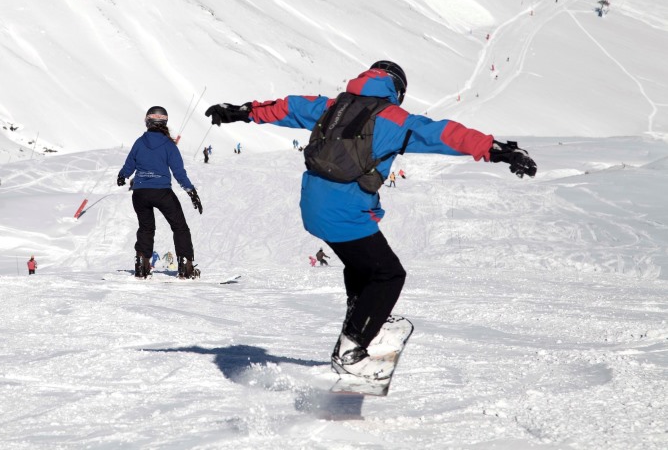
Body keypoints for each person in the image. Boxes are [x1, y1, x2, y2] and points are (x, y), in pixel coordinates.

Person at [205, 60, 536, 379]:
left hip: (313, 203)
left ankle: (364, 319)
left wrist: (239, 112)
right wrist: (499, 151)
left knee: (361, 265)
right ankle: (351, 349)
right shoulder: (393, 119)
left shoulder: (333, 107)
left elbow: (287, 107)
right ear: (398, 90)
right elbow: (446, 134)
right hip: (345, 209)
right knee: (388, 275)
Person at [118, 106, 204, 279]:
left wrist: (122, 175)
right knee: (179, 227)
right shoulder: (168, 145)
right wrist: (191, 191)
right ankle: (185, 267)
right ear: (164, 122)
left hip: (140, 193)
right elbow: (179, 173)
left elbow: (130, 164)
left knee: (146, 227)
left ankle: (142, 265)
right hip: (162, 192)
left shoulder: (140, 142)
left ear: (148, 121)